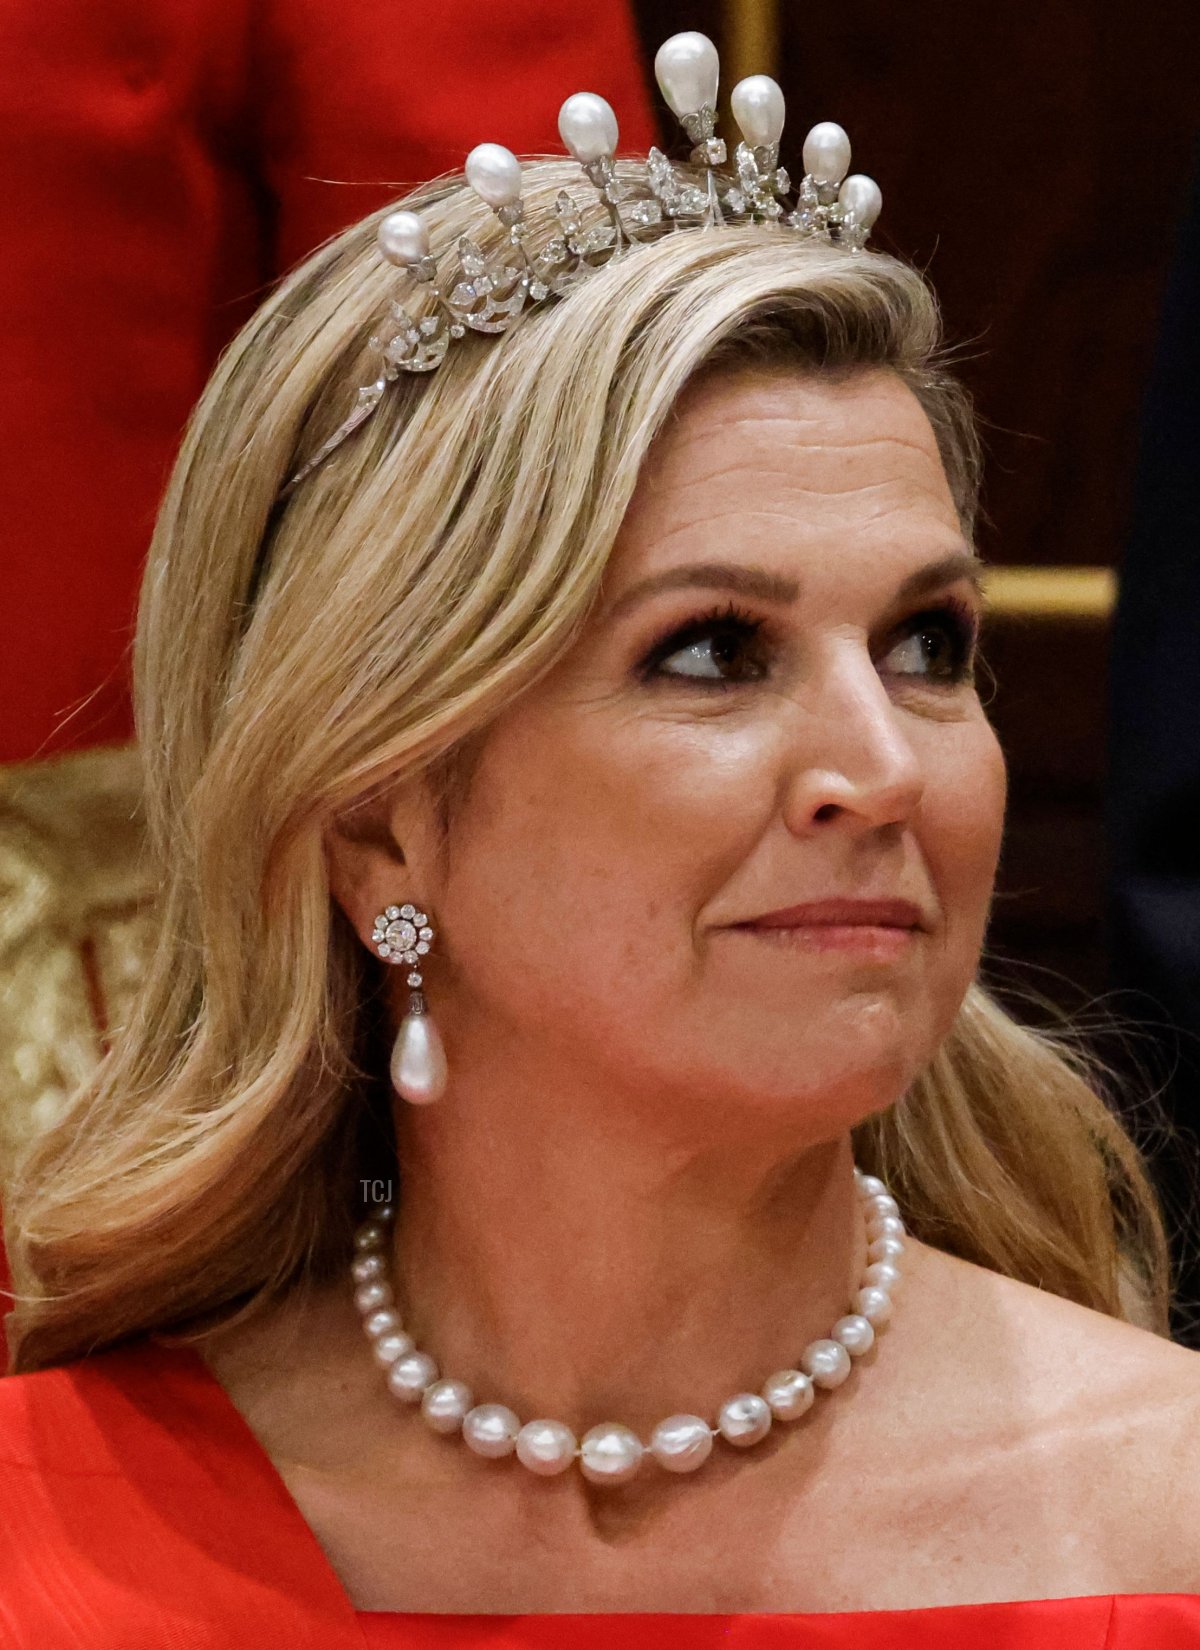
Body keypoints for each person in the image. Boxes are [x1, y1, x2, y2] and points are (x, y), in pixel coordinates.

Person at [2, 35, 1198, 1647]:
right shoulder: (50, 1529)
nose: (883, 767)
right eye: (712, 651)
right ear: (378, 819)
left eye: (928, 645)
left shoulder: (1164, 1512)